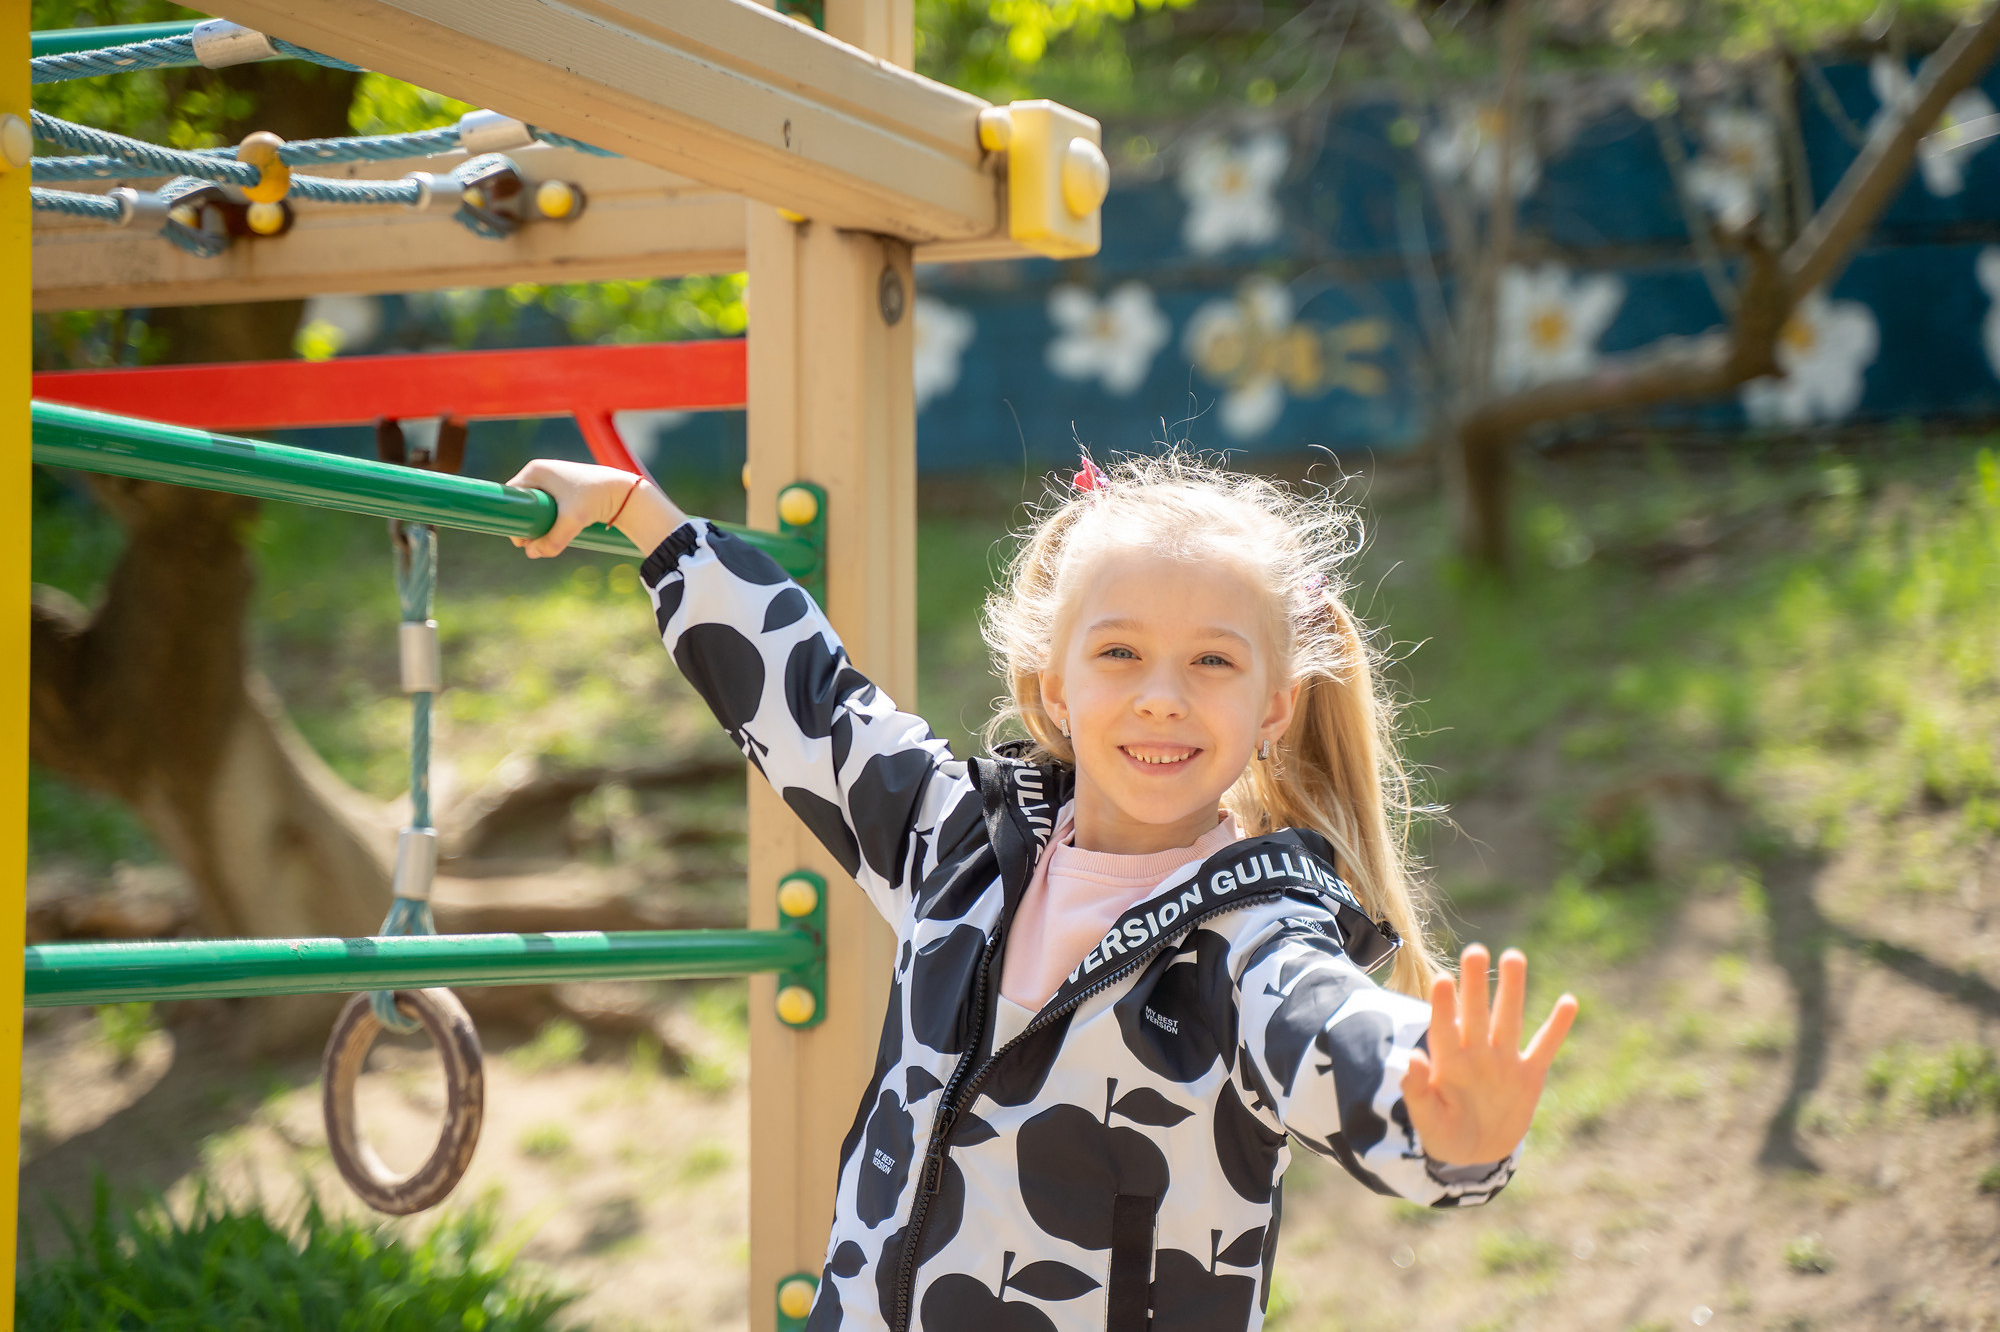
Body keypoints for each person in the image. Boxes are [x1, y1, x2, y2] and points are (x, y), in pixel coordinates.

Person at [509, 449, 1577, 1332]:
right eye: (1119, 652)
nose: (1161, 697)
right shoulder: (956, 844)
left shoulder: (1250, 940)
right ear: (1052, 684)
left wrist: (1449, 1127)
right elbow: (812, 704)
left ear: (1273, 708)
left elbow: (1326, 1025)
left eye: (1212, 662)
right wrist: (643, 516)